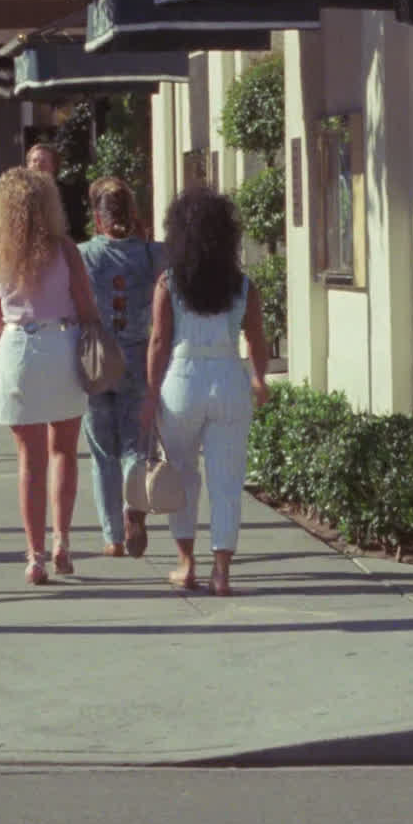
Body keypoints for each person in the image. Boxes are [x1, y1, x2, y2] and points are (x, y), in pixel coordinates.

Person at [140, 186, 272, 597]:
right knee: (227, 479)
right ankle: (222, 571)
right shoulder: (243, 287)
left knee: (180, 473)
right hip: (229, 376)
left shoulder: (169, 283)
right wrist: (260, 377)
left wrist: (148, 394)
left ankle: (186, 564)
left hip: (181, 378)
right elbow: (257, 338)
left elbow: (160, 341)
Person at [0, 167, 102, 584]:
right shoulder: (65, 250)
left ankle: (33, 555)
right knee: (64, 450)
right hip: (61, 345)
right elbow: (86, 306)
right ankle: (62, 541)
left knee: (28, 460)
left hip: (17, 348)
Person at [79, 176, 165, 557]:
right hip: (137, 354)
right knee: (135, 445)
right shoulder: (152, 255)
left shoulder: (85, 254)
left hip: (96, 358)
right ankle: (135, 506)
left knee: (102, 451)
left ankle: (112, 536)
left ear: (98, 220)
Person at [26, 139, 88, 241]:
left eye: (43, 161)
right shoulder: (20, 194)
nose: (38, 165)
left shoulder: (69, 194)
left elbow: (77, 230)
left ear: (54, 167)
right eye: (34, 161)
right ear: (28, 166)